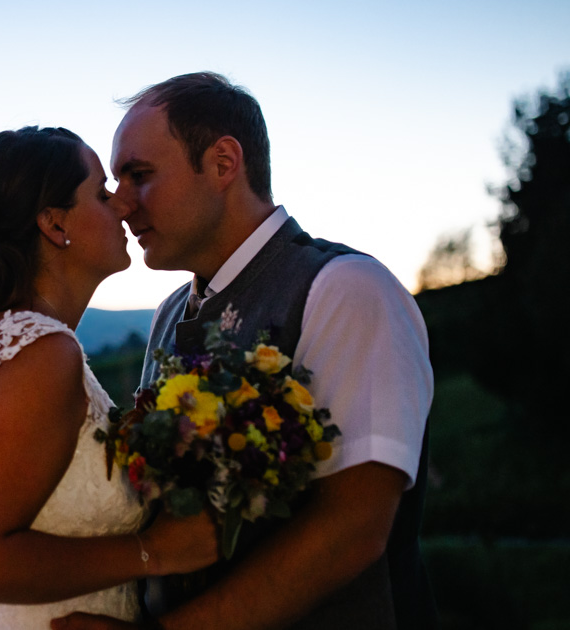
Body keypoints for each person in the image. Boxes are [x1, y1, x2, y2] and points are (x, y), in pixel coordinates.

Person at [54, 73, 435, 629]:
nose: (122, 205)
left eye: (140, 176)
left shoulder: (345, 289)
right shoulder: (168, 315)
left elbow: (352, 529)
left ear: (224, 163)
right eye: (116, 183)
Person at [0, 126, 219, 629]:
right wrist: (156, 550)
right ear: (53, 223)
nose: (122, 207)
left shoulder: (2, 342)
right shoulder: (42, 352)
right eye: (100, 193)